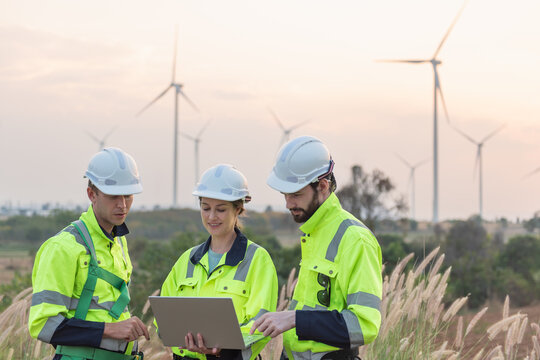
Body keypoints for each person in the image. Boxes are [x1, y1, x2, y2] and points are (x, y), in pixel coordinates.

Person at [251, 136, 383, 360]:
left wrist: (294, 319)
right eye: (285, 195)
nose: (288, 204)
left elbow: (365, 325)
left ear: (322, 186)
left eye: (296, 195)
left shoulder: (355, 239)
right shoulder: (313, 233)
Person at [28, 147, 149, 360]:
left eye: (128, 195)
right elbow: (42, 324)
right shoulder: (62, 247)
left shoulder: (120, 241)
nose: (122, 205)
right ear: (91, 194)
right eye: (113, 196)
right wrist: (109, 329)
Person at [159, 164, 278, 360]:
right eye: (205, 208)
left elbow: (261, 324)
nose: (212, 217)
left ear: (238, 209)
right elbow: (162, 318)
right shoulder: (187, 260)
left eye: (221, 210)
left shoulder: (258, 260)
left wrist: (223, 348)